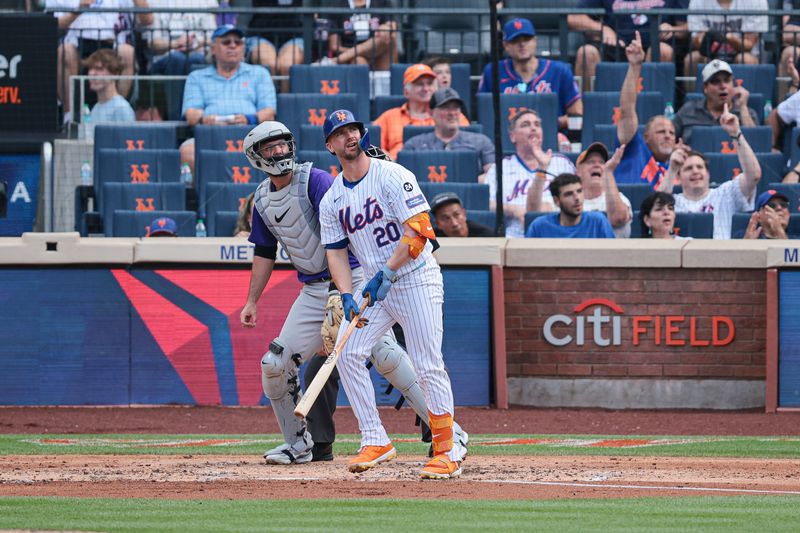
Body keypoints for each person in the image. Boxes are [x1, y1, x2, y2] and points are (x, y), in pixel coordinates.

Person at [239, 120, 466, 465]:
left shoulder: (316, 180)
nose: (279, 152)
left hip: (365, 276)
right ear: (255, 156)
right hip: (318, 287)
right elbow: (270, 251)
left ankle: (449, 434)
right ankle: (301, 445)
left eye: (283, 144)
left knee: (389, 356)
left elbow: (355, 245)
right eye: (270, 148)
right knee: (275, 363)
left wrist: (343, 290)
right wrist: (253, 300)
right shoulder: (265, 200)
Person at [319, 108, 467, 479]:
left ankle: (448, 448)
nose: (349, 136)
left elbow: (418, 231)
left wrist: (388, 269)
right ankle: (375, 438)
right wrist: (346, 293)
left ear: (362, 134)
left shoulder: (392, 175)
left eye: (353, 129)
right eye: (341, 133)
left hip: (415, 278)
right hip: (376, 288)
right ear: (330, 145)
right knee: (349, 352)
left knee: (426, 361)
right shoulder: (332, 200)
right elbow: (335, 251)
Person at [180, 25, 277, 171]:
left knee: (275, 149)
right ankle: (196, 194)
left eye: (237, 42)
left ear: (243, 48)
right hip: (211, 134)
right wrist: (205, 119)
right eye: (226, 42)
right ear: (213, 49)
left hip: (250, 135)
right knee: (187, 152)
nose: (232, 46)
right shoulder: (197, 77)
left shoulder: (259, 73)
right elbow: (191, 114)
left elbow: (269, 113)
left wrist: (248, 119)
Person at [658, 104, 761, 239]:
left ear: (708, 174)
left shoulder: (725, 193)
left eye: (700, 167)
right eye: (688, 168)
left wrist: (736, 133)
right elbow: (657, 205)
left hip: (719, 258)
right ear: (680, 177)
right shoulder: (673, 202)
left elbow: (754, 175)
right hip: (682, 257)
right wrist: (672, 170)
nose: (695, 171)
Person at [48, 0, 152, 123]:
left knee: (127, 52)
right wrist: (78, 10)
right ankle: (70, 117)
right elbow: (54, 24)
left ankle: (115, 108)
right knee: (65, 52)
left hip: (112, 43)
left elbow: (148, 20)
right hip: (77, 44)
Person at [478, 18, 582, 131]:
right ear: (506, 45)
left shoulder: (560, 71)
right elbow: (484, 115)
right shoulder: (493, 71)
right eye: (515, 40)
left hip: (552, 138)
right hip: (507, 139)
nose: (522, 44)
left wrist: (552, 123)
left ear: (535, 41)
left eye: (527, 39)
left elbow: (578, 117)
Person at [485, 109, 575, 237]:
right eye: (525, 125)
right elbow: (487, 204)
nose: (533, 128)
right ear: (512, 136)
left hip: (558, 233)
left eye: (537, 125)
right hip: (516, 236)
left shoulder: (561, 163)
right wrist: (513, 209)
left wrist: (553, 208)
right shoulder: (500, 168)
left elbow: (578, 197)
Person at [616, 31, 686, 188]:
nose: (668, 136)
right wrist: (635, 67)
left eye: (671, 133)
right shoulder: (634, 149)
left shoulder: (678, 169)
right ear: (646, 137)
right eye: (661, 132)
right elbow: (626, 110)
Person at [568, 0, 685, 93]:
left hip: (654, 49)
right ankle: (586, 114)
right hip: (614, 49)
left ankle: (658, 113)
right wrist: (602, 29)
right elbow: (573, 17)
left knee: (663, 50)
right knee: (587, 53)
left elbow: (690, 26)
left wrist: (673, 29)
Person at [373, 63, 469, 160]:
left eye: (430, 83)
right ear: (406, 92)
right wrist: (391, 163)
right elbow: (371, 145)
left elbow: (466, 142)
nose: (426, 89)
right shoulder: (389, 116)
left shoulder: (451, 115)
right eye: (419, 84)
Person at [402, 87, 495, 182]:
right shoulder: (414, 144)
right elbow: (403, 179)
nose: (452, 113)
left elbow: (494, 174)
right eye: (445, 107)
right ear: (431, 112)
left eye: (456, 107)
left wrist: (469, 183)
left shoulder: (481, 141)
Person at [673, 59, 759, 146]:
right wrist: (677, 149)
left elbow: (756, 145)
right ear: (705, 88)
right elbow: (669, 140)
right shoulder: (688, 111)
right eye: (716, 81)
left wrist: (743, 108)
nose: (723, 86)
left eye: (727, 80)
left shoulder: (747, 113)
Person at [685, 0, 769, 74]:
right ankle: (696, 92)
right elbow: (696, 41)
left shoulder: (757, 1)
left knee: (746, 59)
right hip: (711, 54)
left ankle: (744, 92)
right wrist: (708, 37)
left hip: (744, 53)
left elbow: (749, 44)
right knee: (693, 58)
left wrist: (730, 38)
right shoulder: (697, 1)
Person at [525, 173, 616, 238]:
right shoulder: (539, 226)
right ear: (557, 201)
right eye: (569, 194)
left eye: (579, 191)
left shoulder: (598, 221)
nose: (577, 198)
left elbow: (613, 258)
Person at [575, 142, 633, 238]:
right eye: (590, 162)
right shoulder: (571, 202)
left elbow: (618, 218)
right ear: (578, 172)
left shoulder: (620, 198)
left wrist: (608, 171)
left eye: (602, 162)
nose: (597, 165)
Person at [145, 0, 217, 75]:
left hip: (197, 54)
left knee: (196, 58)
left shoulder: (204, 2)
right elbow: (152, 43)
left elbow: (213, 38)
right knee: (177, 58)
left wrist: (195, 42)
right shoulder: (155, 3)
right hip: (163, 58)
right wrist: (176, 44)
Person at [322, 0, 398, 71]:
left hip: (379, 53)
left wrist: (386, 27)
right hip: (351, 57)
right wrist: (363, 52)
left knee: (385, 34)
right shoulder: (337, 4)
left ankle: (333, 61)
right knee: (359, 61)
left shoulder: (382, 2)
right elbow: (334, 46)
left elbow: (392, 28)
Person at [83, 49, 136, 123]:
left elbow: (128, 134)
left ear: (115, 74)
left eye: (99, 69)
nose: (92, 73)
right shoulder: (96, 108)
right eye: (90, 69)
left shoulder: (121, 108)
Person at [430, 192, 495, 238]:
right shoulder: (430, 241)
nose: (454, 223)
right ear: (438, 224)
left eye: (457, 215)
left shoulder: (487, 236)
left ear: (464, 214)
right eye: (445, 218)